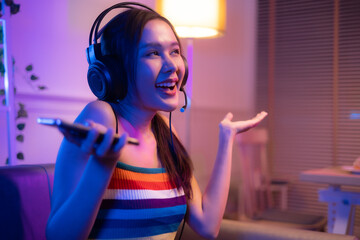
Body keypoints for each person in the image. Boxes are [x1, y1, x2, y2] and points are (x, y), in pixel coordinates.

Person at [46, 2, 268, 240]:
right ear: (116, 70)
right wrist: (103, 164)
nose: (172, 66)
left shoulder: (166, 134)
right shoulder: (101, 116)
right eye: (153, 53)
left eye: (174, 51)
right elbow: (59, 236)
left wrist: (227, 139)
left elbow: (207, 225)